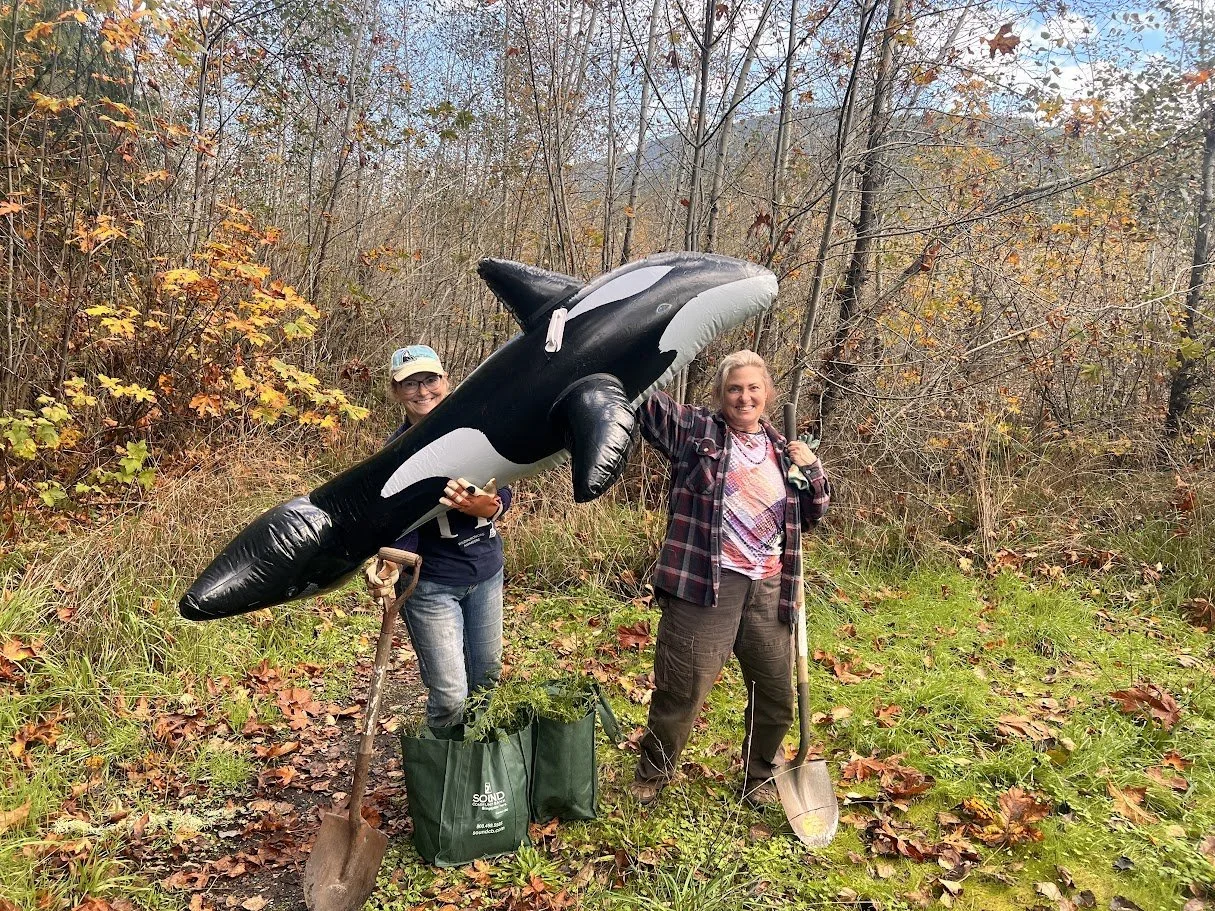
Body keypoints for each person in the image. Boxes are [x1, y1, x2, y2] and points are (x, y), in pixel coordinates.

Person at [629, 350, 830, 808]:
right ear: (720, 394)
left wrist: (812, 468)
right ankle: (653, 774)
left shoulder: (785, 451)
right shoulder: (697, 431)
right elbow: (647, 405)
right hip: (705, 582)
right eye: (734, 389)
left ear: (767, 395)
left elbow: (812, 512)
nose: (744, 397)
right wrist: (630, 358)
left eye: (753, 389)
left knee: (776, 694)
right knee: (682, 689)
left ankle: (761, 775)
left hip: (770, 586)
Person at [386, 345, 513, 728]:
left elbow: (504, 488)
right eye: (410, 384)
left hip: (486, 574)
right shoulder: (396, 452)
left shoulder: (476, 429)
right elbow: (397, 520)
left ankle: (476, 765)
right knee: (450, 695)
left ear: (446, 380)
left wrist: (485, 506)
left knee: (486, 680)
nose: (422, 391)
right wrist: (393, 558)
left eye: (430, 379)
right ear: (396, 392)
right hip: (431, 585)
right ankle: (444, 773)